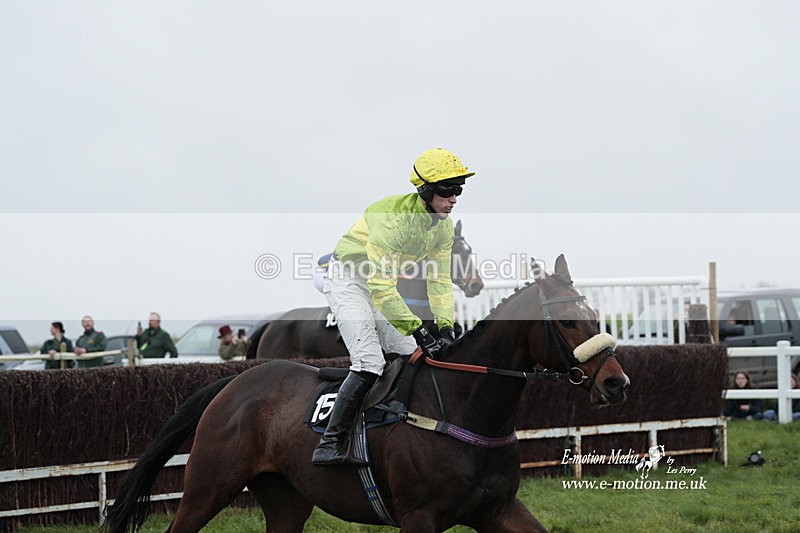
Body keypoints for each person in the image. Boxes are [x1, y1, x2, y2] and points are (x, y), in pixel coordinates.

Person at [312, 148, 474, 466]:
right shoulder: (393, 220)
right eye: (447, 190)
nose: (454, 198)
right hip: (348, 280)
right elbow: (383, 288)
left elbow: (439, 281)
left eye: (459, 190)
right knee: (370, 362)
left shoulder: (443, 227)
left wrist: (444, 326)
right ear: (425, 190)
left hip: (378, 284)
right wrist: (418, 328)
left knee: (412, 354)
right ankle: (329, 444)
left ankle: (395, 422)